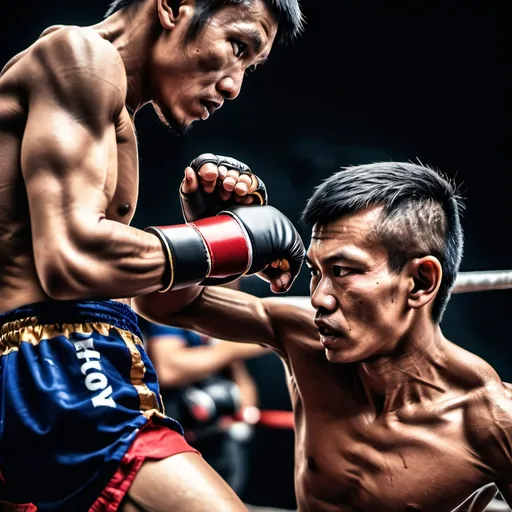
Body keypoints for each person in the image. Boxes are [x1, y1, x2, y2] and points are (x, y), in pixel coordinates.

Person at [0, 0, 305, 510]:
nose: (233, 85)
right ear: (173, 6)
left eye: (248, 66)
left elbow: (145, 298)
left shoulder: (113, 106)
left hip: (51, 367)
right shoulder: (79, 58)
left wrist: (210, 236)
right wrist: (235, 240)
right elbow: (72, 259)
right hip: (57, 364)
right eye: (237, 46)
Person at [135, 161, 512, 512]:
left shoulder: (492, 420)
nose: (318, 297)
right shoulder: (304, 337)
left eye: (344, 270)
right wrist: (210, 239)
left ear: (420, 282)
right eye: (316, 271)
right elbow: (162, 305)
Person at [140, 316, 266, 494]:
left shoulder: (221, 320)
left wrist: (243, 415)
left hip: (218, 442)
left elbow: (242, 383)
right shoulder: (165, 309)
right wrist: (244, 345)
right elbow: (168, 369)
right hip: (176, 442)